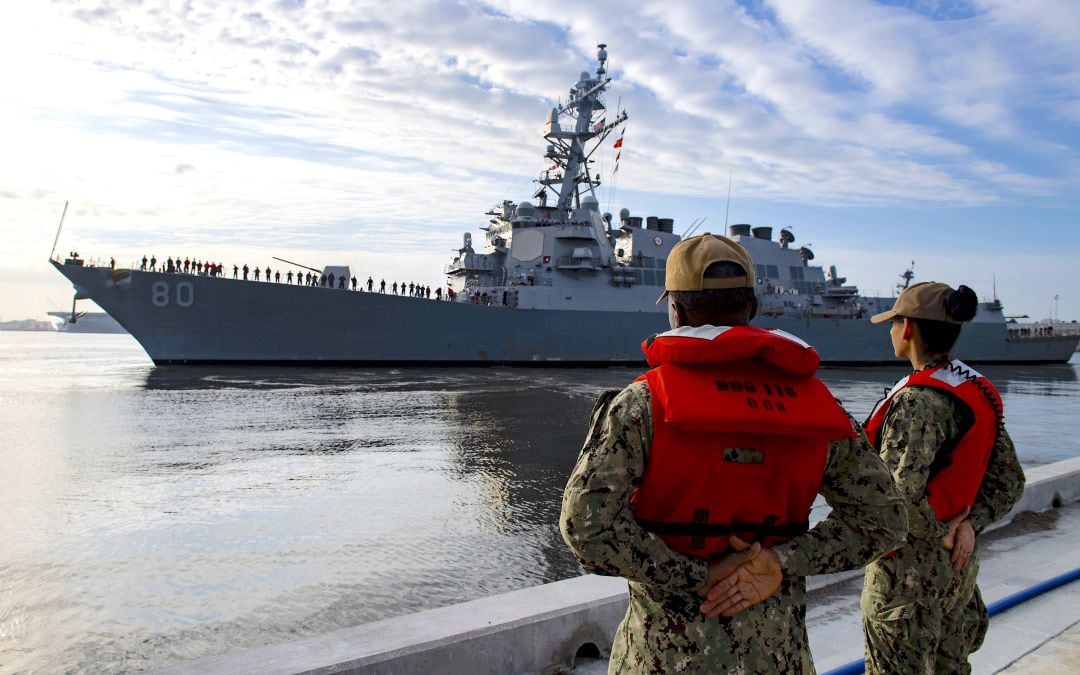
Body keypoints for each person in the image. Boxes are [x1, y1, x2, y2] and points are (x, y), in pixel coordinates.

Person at [560, 233, 906, 673]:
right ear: (753, 309)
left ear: (676, 311)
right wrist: (779, 562)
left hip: (663, 657)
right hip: (778, 657)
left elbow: (585, 528)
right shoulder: (821, 410)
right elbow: (886, 521)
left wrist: (696, 576)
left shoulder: (641, 406)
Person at [860, 282, 1025, 674]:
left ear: (908, 329)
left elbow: (894, 500)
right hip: (957, 572)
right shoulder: (974, 391)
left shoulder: (916, 403)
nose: (890, 330)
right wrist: (968, 526)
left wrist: (940, 533)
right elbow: (1009, 482)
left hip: (906, 581)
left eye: (893, 321)